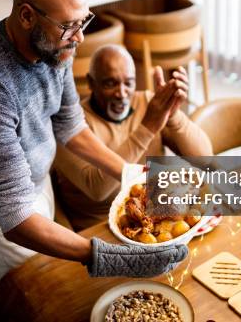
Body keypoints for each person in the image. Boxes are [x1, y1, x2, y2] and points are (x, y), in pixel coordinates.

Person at [0, 0, 189, 284]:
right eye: (69, 25)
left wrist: (130, 175)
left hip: (34, 178)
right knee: (36, 291)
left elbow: (71, 126)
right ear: (27, 16)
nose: (80, 37)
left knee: (54, 277)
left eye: (83, 21)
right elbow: (15, 218)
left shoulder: (53, 46)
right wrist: (106, 257)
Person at [53, 44, 213, 230]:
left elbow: (205, 158)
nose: (121, 94)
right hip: (98, 230)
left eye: (128, 83)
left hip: (159, 222)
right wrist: (147, 128)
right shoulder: (67, 125)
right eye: (110, 83)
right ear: (91, 82)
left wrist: (173, 115)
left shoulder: (148, 103)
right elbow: (97, 189)